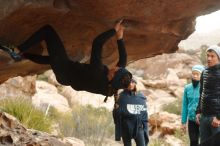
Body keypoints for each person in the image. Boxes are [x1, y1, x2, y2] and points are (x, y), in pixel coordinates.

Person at [0, 20, 132, 97]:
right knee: (52, 59)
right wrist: (120, 37)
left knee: (48, 31)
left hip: (64, 70)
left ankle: (18, 51)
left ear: (111, 77)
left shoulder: (97, 72)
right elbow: (123, 61)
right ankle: (24, 56)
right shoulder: (112, 88)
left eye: (116, 70)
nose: (117, 67)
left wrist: (114, 31)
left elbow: (97, 43)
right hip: (68, 77)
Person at [113, 79, 149, 146]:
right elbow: (117, 115)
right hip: (126, 127)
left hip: (138, 127)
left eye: (132, 82)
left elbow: (144, 114)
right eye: (129, 83)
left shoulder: (141, 97)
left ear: (135, 84)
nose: (130, 84)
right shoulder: (121, 97)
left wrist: (145, 128)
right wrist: (116, 109)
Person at [196, 45, 220, 144]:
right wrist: (198, 111)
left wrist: (219, 117)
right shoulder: (204, 72)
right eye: (208, 55)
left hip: (216, 119)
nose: (209, 58)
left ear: (219, 57)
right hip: (204, 116)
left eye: (212, 56)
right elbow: (201, 92)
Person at [181, 64, 205, 146]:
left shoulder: (205, 87)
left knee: (204, 141)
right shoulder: (187, 88)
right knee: (193, 142)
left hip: (203, 120)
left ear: (202, 76)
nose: (194, 76)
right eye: (193, 74)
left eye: (197, 74)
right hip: (191, 120)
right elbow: (184, 105)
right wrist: (183, 122)